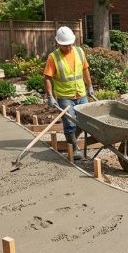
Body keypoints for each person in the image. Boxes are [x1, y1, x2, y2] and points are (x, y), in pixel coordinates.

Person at [43, 26, 95, 159]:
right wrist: (50, 96)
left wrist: (90, 86)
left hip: (81, 93)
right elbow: (47, 78)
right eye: (64, 45)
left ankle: (71, 140)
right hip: (65, 96)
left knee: (85, 121)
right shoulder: (53, 57)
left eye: (69, 44)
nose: (67, 47)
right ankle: (73, 147)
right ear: (58, 43)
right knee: (69, 123)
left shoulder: (79, 51)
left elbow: (85, 70)